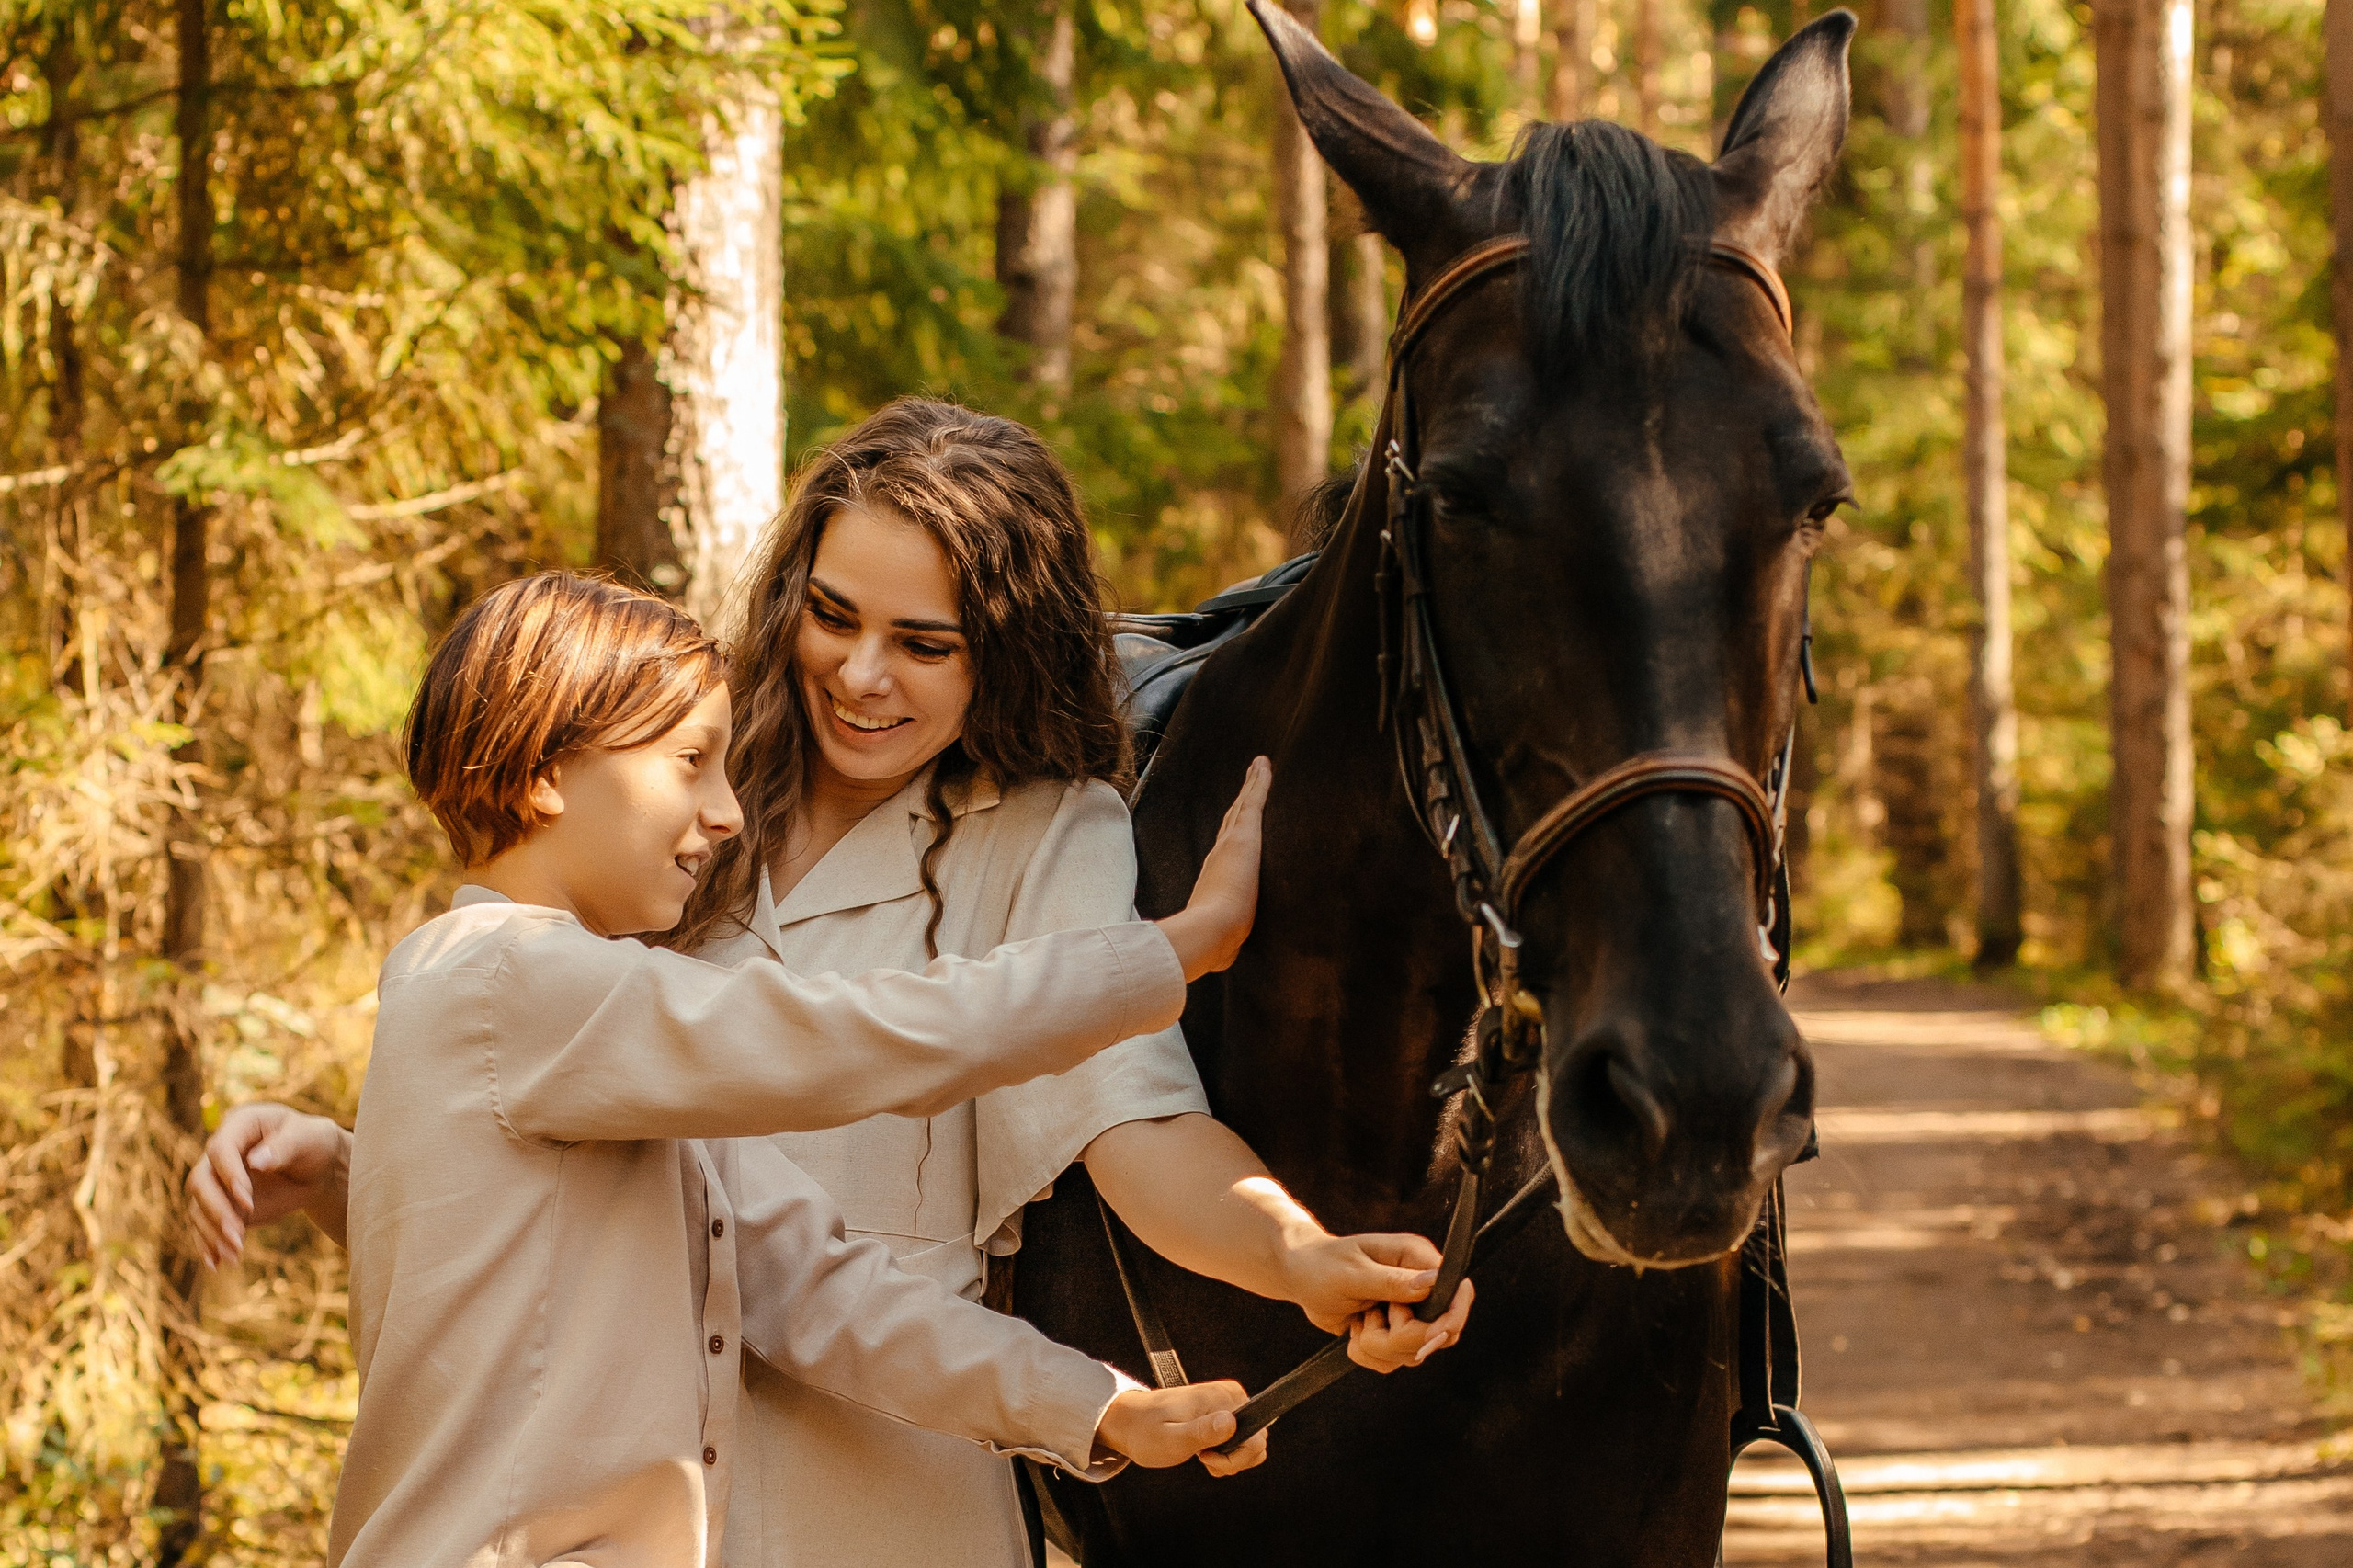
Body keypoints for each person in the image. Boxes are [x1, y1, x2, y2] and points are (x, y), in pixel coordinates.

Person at [193, 400, 1474, 1568]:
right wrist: (364, 1170)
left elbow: (1122, 1124)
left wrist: (1290, 1256)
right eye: (834, 616)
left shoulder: (1039, 831)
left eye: (924, 642)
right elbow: (568, 1177)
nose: (861, 676)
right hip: (619, 1495)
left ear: (1001, 654)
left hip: (889, 1486)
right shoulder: (651, 814)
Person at [298, 572, 1276, 1568]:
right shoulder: (504, 976)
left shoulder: (613, 1053)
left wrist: (1102, 1409)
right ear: (547, 771)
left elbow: (826, 1293)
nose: (726, 811)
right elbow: (850, 1035)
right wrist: (1170, 952)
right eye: (690, 762)